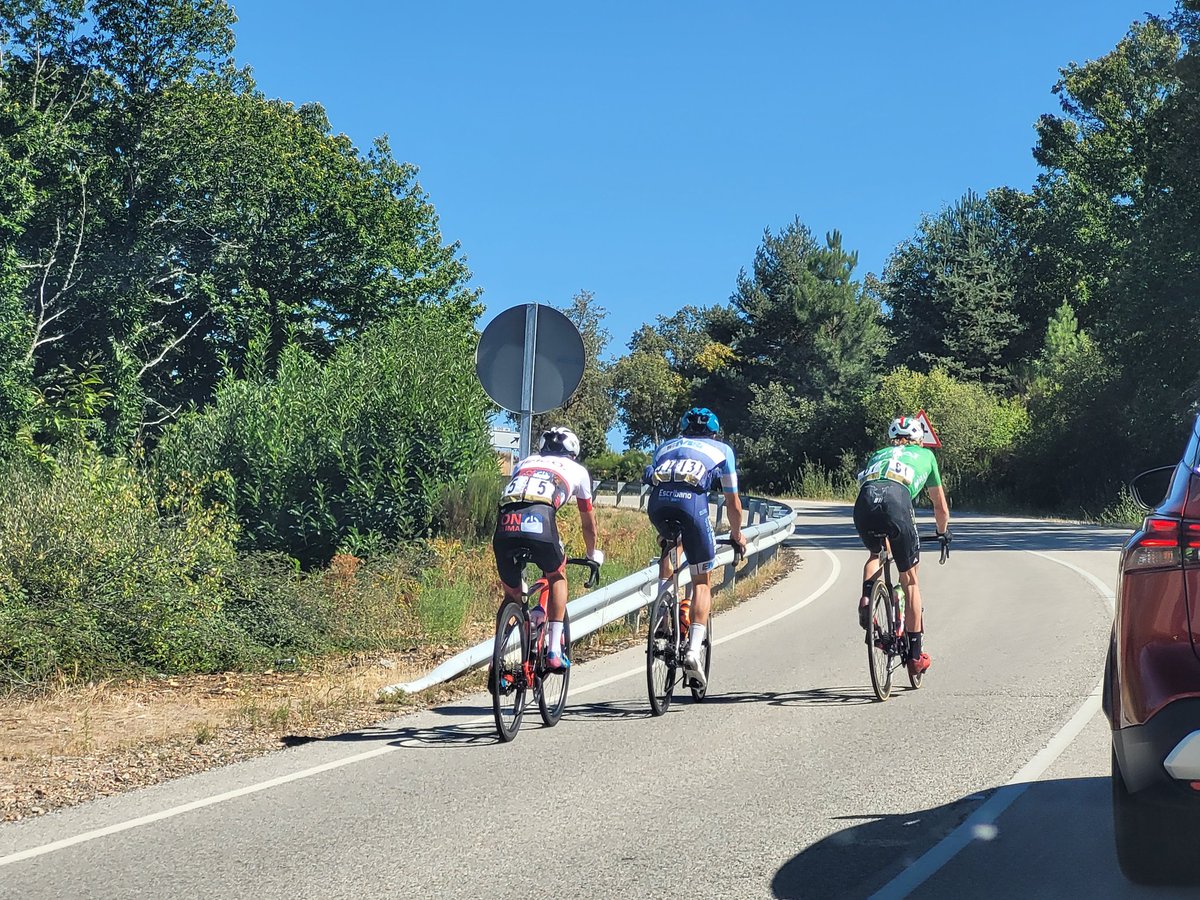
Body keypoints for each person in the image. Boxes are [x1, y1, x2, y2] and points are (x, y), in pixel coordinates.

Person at [643, 407, 746, 690]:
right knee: (702, 580)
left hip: (658, 505)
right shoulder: (723, 450)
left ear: (684, 430)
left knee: (670, 545)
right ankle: (692, 651)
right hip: (692, 505)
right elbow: (732, 502)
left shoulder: (665, 446)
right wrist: (737, 535)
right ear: (713, 432)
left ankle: (664, 610)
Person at [493, 426, 603, 670]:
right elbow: (588, 522)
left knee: (512, 596)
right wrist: (591, 553)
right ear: (573, 452)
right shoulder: (579, 471)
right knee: (556, 574)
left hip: (504, 525)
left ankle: (496, 661)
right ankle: (553, 648)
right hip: (540, 521)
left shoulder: (524, 463)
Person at [853, 415, 951, 676]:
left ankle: (866, 599)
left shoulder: (879, 453)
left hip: (865, 501)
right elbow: (940, 507)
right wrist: (942, 533)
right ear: (920, 439)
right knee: (910, 581)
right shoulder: (926, 456)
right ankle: (916, 656)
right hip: (897, 501)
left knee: (876, 553)